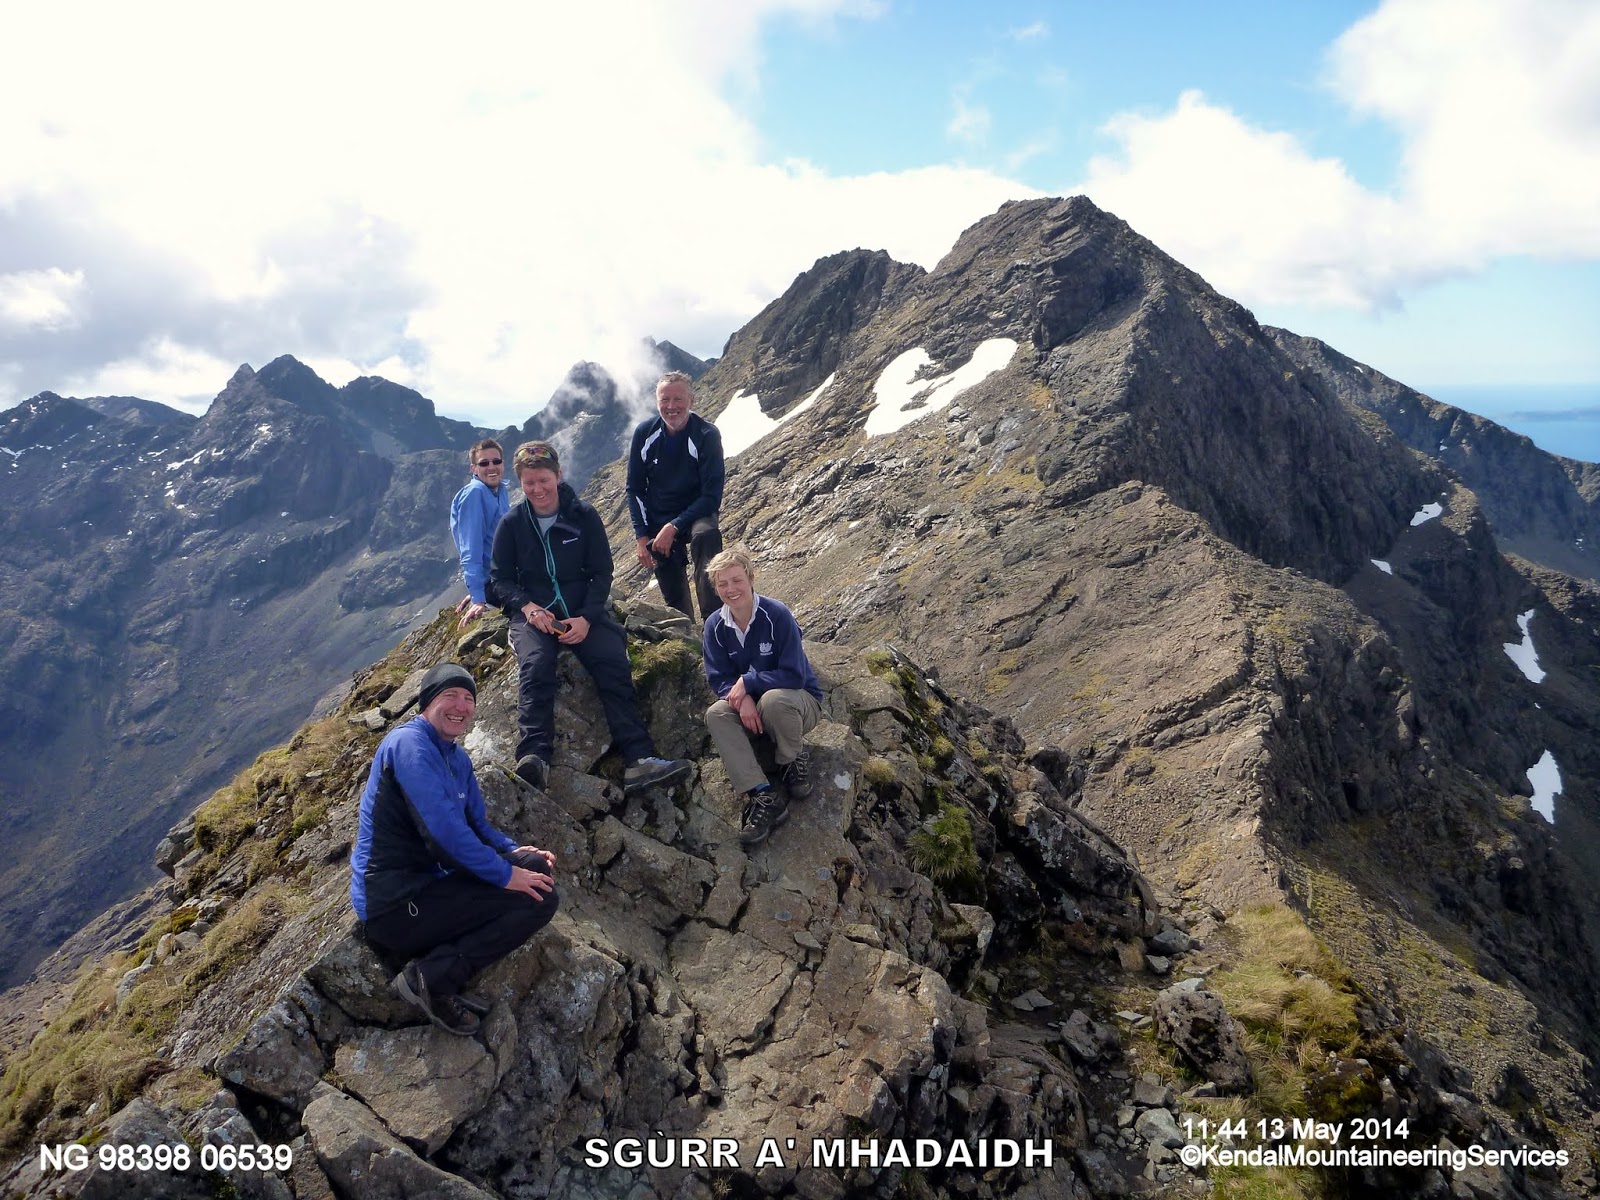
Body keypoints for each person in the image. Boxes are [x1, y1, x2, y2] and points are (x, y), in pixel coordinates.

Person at [350, 663, 559, 1037]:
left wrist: (514, 852)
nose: (461, 706)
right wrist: (506, 874)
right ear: (427, 703)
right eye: (450, 696)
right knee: (539, 897)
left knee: (534, 870)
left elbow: (476, 824)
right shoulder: (408, 744)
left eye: (468, 698)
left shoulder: (455, 758)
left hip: (427, 890)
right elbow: (443, 834)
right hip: (395, 906)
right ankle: (431, 978)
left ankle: (439, 964)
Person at [490, 440, 691, 794]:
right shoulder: (512, 524)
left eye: (543, 480)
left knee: (613, 661)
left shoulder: (584, 516)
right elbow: (499, 580)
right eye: (529, 482)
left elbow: (602, 572)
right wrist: (528, 607)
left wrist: (586, 618)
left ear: (558, 475)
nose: (537, 489)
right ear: (520, 483)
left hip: (583, 611)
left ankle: (638, 759)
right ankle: (534, 758)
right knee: (535, 665)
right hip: (534, 617)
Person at [701, 546, 823, 845]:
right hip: (753, 707)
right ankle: (762, 794)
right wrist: (740, 698)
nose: (731, 589)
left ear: (751, 578)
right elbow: (718, 677)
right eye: (722, 584)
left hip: (797, 702)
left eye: (736, 580)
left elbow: (794, 674)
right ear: (715, 589)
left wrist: (749, 681)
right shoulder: (715, 626)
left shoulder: (777, 614)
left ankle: (791, 758)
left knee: (773, 700)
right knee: (716, 713)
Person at [626, 371, 725, 622]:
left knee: (706, 535)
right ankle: (686, 630)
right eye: (664, 400)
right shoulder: (644, 434)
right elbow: (635, 488)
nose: (671, 407)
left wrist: (675, 525)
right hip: (659, 518)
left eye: (678, 399)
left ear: (691, 401)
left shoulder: (706, 435)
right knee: (675, 599)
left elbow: (711, 497)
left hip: (697, 513)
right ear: (657, 401)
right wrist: (642, 536)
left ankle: (714, 622)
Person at [450, 438, 511, 628]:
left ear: (503, 463)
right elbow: (470, 549)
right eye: (484, 463)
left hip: (504, 574)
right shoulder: (475, 493)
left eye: (496, 461)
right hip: (495, 582)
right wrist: (478, 597)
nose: (491, 467)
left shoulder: (500, 489)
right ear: (473, 468)